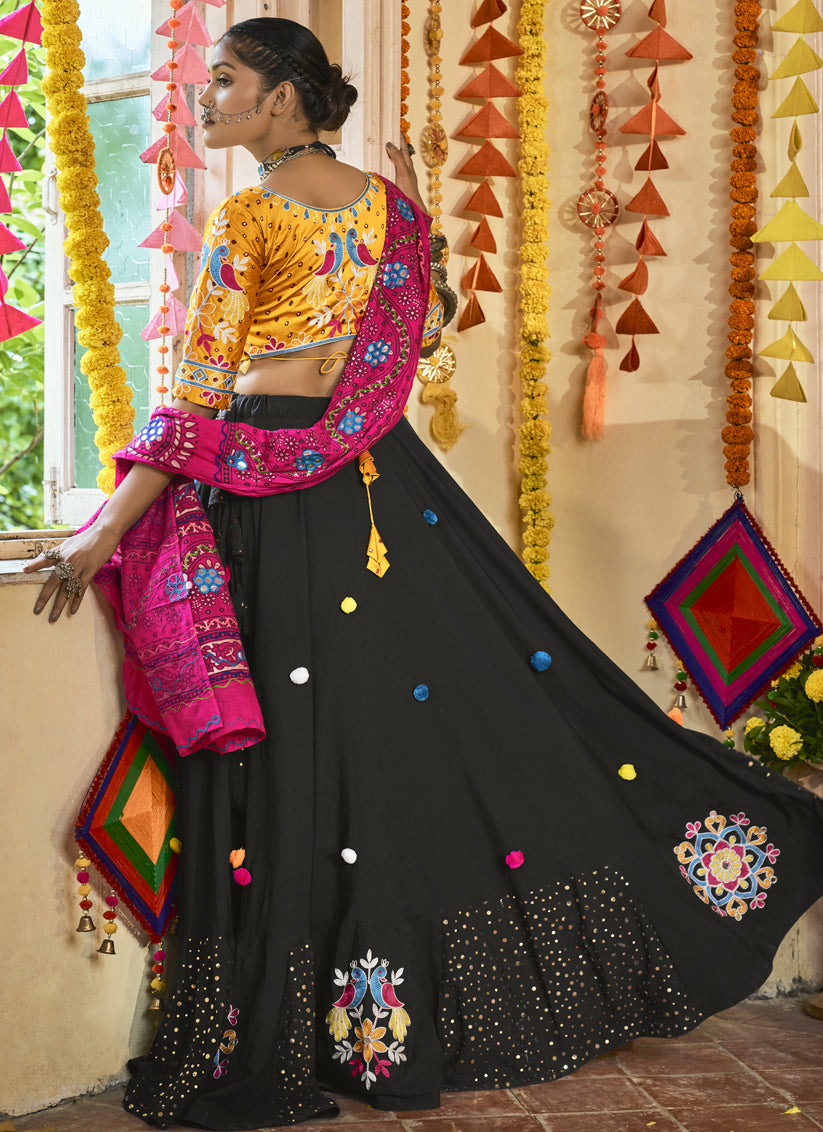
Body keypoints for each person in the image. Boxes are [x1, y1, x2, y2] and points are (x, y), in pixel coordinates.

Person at [25, 16, 823, 1132]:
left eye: (228, 79)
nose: (208, 99)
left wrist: (102, 532)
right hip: (375, 488)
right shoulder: (392, 212)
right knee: (402, 743)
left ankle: (301, 1026)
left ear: (284, 95)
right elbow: (423, 332)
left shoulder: (252, 213)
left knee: (293, 762)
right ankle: (381, 1015)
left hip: (272, 494)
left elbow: (198, 395)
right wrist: (429, 251)